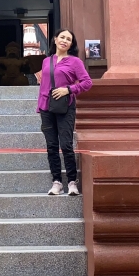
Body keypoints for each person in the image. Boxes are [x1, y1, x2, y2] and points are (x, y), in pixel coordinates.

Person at [35, 29, 92, 196]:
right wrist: (40, 107)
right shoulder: (46, 61)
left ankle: (72, 182)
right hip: (47, 108)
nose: (65, 41)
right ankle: (57, 182)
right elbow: (43, 86)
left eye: (68, 39)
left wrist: (69, 89)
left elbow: (87, 83)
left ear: (71, 44)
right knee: (51, 146)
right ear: (55, 39)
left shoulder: (75, 62)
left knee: (66, 145)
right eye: (62, 37)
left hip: (65, 107)